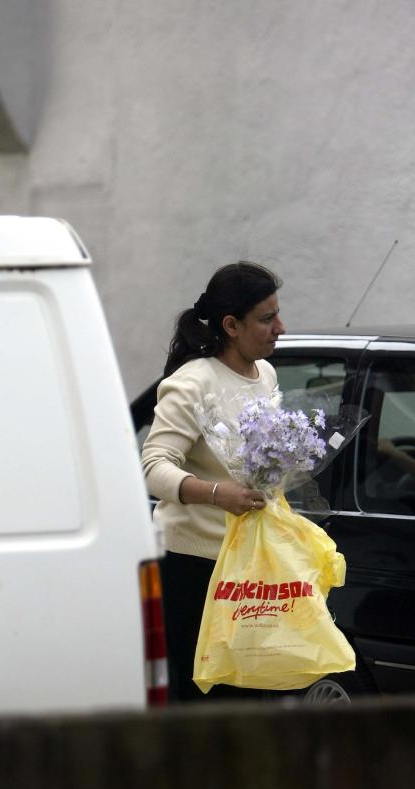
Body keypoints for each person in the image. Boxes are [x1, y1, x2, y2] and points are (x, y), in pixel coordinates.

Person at [141, 261, 286, 702]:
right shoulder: (191, 383)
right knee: (204, 703)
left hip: (254, 566)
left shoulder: (267, 375)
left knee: (253, 695)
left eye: (278, 314)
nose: (281, 327)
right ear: (231, 325)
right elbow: (154, 465)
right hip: (197, 570)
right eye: (266, 318)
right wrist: (219, 494)